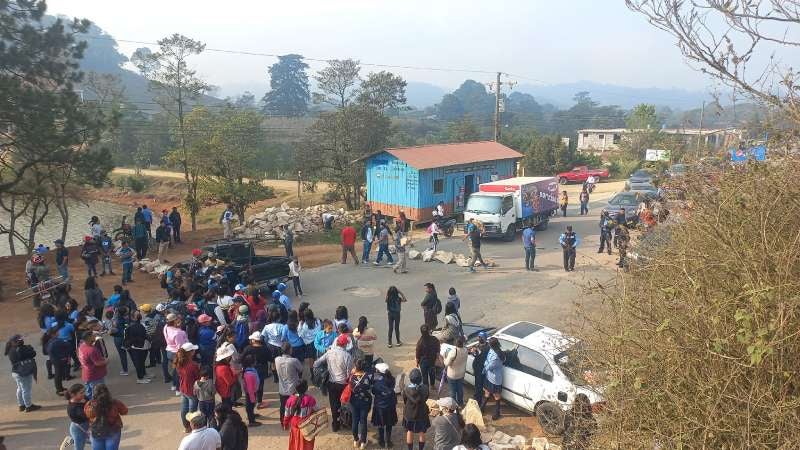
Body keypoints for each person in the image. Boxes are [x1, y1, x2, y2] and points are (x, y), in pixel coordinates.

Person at [313, 334, 353, 431]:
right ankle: (345, 422)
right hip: (343, 384)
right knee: (345, 404)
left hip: (331, 383)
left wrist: (323, 372)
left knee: (334, 405)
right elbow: (349, 372)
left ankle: (335, 424)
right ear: (344, 345)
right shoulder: (347, 356)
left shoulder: (329, 353)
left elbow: (316, 363)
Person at [84, 384, 128, 450]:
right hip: (113, 430)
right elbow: (125, 411)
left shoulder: (90, 404)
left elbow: (87, 414)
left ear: (94, 394)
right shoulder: (115, 402)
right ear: (107, 392)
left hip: (96, 431)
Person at [5, 334, 40, 412]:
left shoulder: (11, 350)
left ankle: (21, 405)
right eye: (19, 340)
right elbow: (33, 353)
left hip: (16, 372)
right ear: (14, 342)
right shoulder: (21, 349)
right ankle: (28, 406)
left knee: (20, 388)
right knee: (26, 389)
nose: (21, 341)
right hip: (23, 372)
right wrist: (28, 348)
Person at [282, 380, 318, 450]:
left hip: (295, 428)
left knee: (295, 445)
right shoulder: (311, 399)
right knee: (307, 446)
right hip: (307, 428)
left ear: (295, 388)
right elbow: (317, 411)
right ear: (306, 388)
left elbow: (286, 415)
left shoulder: (289, 400)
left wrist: (285, 425)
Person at [402, 368, 430, 450]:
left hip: (410, 414)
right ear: (421, 378)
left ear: (410, 379)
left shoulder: (406, 389)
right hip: (422, 413)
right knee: (422, 432)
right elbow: (426, 398)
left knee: (409, 431)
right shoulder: (425, 388)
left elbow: (405, 400)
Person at [275, 343, 304, 424]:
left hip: (282, 389)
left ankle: (283, 421)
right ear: (290, 350)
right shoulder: (294, 361)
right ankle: (295, 421)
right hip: (294, 389)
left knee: (283, 406)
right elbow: (301, 369)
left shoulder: (277, 359)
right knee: (296, 405)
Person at [176, 342, 201, 432]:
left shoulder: (179, 362)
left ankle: (186, 427)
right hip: (191, 390)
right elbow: (198, 378)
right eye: (193, 350)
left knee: (184, 408)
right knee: (192, 410)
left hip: (183, 388)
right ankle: (192, 426)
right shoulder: (193, 365)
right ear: (191, 352)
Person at [349, 358, 374, 449]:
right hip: (365, 402)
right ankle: (363, 442)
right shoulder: (367, 376)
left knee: (355, 421)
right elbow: (371, 386)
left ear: (356, 367)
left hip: (353, 402)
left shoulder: (351, 377)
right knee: (363, 421)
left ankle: (356, 440)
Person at [371, 363, 398, 448]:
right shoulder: (392, 379)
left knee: (381, 424)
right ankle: (388, 440)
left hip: (380, 406)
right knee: (389, 424)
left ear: (379, 372)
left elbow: (373, 392)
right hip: (390, 405)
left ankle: (381, 440)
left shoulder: (377, 381)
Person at [78, 331, 107, 401]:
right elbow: (97, 363)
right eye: (93, 336)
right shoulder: (92, 350)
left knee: (89, 391)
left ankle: (90, 403)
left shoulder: (81, 346)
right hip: (95, 375)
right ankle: (95, 407)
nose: (95, 337)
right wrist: (106, 361)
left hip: (86, 374)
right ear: (89, 338)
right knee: (98, 393)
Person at [124, 311, 151, 384]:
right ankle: (140, 378)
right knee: (139, 363)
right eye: (137, 314)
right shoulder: (133, 326)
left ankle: (143, 375)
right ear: (133, 317)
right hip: (137, 347)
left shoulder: (140, 324)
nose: (139, 315)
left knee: (141, 362)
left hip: (141, 346)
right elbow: (129, 338)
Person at [482, 337, 506, 420]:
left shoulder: (497, 356)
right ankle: (482, 408)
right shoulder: (493, 350)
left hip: (495, 379)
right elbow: (487, 360)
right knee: (487, 392)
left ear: (492, 345)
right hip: (489, 376)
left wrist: (485, 365)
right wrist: (486, 363)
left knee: (496, 396)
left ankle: (497, 412)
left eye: (489, 343)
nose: (488, 344)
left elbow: (490, 366)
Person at [164, 313, 188, 392]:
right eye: (177, 319)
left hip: (169, 351)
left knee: (175, 369)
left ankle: (174, 385)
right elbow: (180, 347)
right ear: (174, 321)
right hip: (177, 353)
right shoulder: (178, 332)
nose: (179, 320)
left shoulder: (166, 327)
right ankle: (178, 389)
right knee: (179, 371)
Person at [444, 336, 468, 406]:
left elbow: (446, 363)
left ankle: (454, 406)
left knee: (452, 391)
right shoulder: (465, 350)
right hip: (461, 374)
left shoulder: (453, 352)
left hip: (452, 375)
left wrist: (445, 358)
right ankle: (460, 403)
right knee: (460, 389)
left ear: (455, 343)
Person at [66, 384, 89, 450]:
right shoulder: (73, 408)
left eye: (84, 391)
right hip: (79, 430)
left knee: (93, 441)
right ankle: (73, 440)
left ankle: (72, 440)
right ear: (73, 395)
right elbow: (87, 415)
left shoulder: (83, 398)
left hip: (84, 427)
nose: (84, 394)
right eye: (81, 393)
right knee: (79, 447)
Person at [241, 354, 261, 426]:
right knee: (250, 406)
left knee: (251, 406)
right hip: (250, 393)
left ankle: (252, 415)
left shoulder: (250, 370)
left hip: (252, 392)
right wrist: (253, 398)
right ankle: (251, 421)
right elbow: (250, 389)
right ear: (252, 363)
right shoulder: (249, 374)